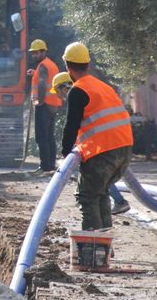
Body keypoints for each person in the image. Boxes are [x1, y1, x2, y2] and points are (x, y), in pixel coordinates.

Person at [60, 42, 134, 231]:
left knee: (88, 197)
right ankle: (103, 247)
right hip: (124, 150)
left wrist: (65, 155)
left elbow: (71, 126)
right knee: (100, 194)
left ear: (68, 66)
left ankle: (94, 248)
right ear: (87, 64)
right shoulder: (103, 86)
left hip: (103, 152)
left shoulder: (78, 90)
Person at [50, 71, 130, 215]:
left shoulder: (77, 95)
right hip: (112, 145)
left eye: (57, 90)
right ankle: (112, 213)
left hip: (101, 147)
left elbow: (72, 126)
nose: (57, 95)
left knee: (94, 186)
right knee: (101, 182)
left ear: (65, 87)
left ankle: (118, 203)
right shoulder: (88, 93)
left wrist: (66, 151)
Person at [27, 39, 63, 172]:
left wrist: (39, 101)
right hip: (54, 104)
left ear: (43, 52)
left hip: (44, 104)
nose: (34, 55)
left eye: (36, 53)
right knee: (49, 136)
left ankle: (45, 166)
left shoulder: (43, 66)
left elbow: (42, 84)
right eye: (33, 53)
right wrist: (34, 73)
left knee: (41, 136)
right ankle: (51, 164)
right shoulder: (50, 65)